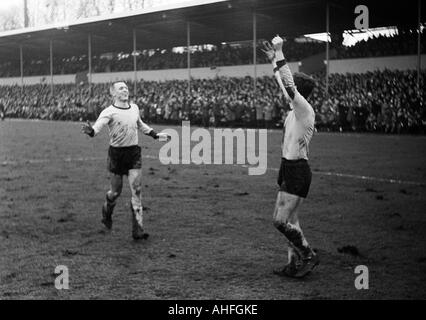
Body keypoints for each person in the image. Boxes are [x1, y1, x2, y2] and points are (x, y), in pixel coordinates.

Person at [81, 81, 170, 240]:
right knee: (115, 192)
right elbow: (98, 127)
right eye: (121, 88)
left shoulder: (134, 108)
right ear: (113, 93)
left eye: (126, 88)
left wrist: (155, 135)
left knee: (136, 190)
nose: (125, 90)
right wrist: (91, 131)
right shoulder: (109, 111)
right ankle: (107, 210)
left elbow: (140, 125)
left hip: (133, 153)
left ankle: (138, 230)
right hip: (116, 155)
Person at [262, 36, 319, 278]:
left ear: (298, 90)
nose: (287, 89)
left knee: (280, 221)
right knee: (291, 221)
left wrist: (280, 51)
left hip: (297, 170)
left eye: (292, 86)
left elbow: (287, 84)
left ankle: (308, 255)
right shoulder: (296, 107)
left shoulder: (304, 109)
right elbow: (282, 81)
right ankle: (293, 264)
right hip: (288, 167)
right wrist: (273, 61)